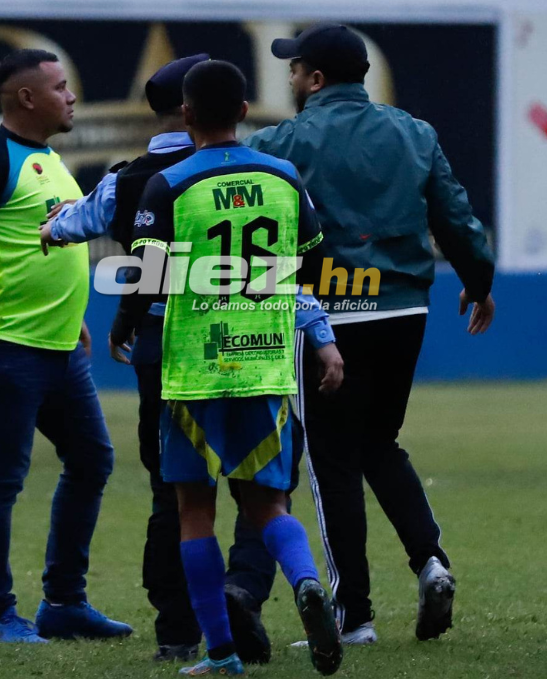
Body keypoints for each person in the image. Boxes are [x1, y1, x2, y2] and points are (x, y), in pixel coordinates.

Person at [40, 54, 339, 665]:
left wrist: (135, 309)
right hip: (262, 360)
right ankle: (306, 580)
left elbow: (148, 277)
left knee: (188, 505)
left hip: (191, 367)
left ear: (186, 112)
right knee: (266, 501)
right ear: (246, 111)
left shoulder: (165, 183)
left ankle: (216, 649)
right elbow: (309, 267)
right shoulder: (283, 175)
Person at [244, 24, 496, 643]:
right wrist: (479, 279)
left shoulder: (284, 141)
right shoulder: (415, 132)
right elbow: (456, 216)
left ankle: (352, 616)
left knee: (332, 461)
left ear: (318, 78)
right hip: (406, 311)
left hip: (329, 317)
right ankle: (430, 560)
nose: (292, 78)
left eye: (296, 69)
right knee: (381, 444)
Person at [0, 48, 131, 643]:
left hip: (59, 348)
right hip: (3, 347)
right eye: (61, 87)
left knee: (92, 460)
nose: (71, 97)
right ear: (26, 98)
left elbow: (49, 243)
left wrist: (75, 319)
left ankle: (64, 603)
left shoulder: (48, 160)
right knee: (2, 478)